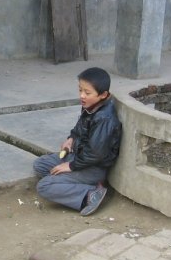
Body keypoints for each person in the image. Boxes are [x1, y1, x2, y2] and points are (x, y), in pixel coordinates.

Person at [34, 67, 121, 216]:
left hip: (93, 168)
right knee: (40, 165)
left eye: (87, 93)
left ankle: (89, 195)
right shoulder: (90, 107)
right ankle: (75, 184)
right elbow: (79, 128)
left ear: (103, 95)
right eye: (80, 90)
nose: (82, 95)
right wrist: (71, 138)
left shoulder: (104, 118)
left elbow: (95, 154)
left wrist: (71, 166)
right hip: (80, 157)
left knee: (44, 186)